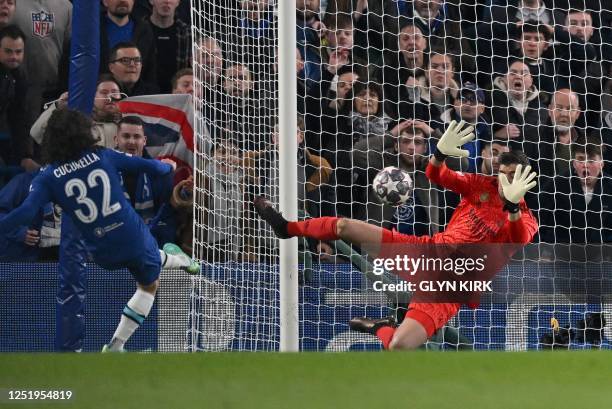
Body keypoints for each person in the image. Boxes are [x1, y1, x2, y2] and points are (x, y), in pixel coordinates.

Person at [253, 121, 539, 350]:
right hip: (425, 252)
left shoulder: (526, 220)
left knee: (401, 345)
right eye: (502, 173)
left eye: (513, 175)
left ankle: (381, 328)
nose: (505, 180)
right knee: (344, 227)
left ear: (526, 179)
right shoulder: (482, 185)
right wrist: (439, 153)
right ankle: (286, 227)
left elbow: (515, 237)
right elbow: (437, 175)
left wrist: (513, 205)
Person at [0, 109, 199, 352]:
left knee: (149, 259)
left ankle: (177, 259)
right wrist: (167, 167)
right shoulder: (102, 155)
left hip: (98, 250)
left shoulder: (47, 177)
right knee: (149, 284)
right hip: (130, 234)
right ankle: (116, 346)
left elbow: (24, 212)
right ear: (84, 132)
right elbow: (152, 168)